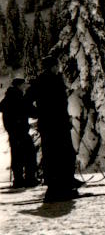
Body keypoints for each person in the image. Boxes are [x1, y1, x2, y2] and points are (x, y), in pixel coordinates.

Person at [28, 56, 79, 202]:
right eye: (57, 65)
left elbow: (61, 104)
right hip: (52, 125)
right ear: (52, 66)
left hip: (59, 124)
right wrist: (39, 113)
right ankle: (56, 190)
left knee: (64, 155)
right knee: (55, 156)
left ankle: (65, 186)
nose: (59, 67)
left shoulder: (55, 79)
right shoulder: (43, 81)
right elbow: (26, 102)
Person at [0, 78, 38, 188]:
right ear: (19, 85)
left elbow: (2, 108)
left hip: (13, 132)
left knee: (17, 156)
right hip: (20, 130)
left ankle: (18, 180)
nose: (25, 86)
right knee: (29, 154)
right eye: (23, 84)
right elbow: (30, 110)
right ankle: (30, 179)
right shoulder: (18, 97)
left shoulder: (8, 97)